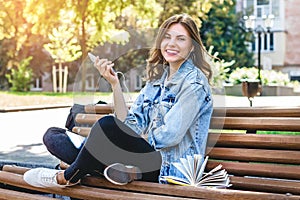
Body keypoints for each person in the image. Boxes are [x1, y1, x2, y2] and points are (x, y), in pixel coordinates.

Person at [23, 13, 213, 188]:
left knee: (106, 126)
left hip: (167, 169)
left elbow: (169, 135)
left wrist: (116, 143)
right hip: (140, 160)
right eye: (167, 37)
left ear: (192, 47)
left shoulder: (194, 83)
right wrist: (115, 84)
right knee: (54, 136)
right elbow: (130, 125)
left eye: (181, 39)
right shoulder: (156, 82)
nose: (172, 43)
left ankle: (67, 177)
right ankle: (112, 170)